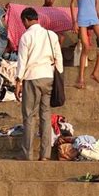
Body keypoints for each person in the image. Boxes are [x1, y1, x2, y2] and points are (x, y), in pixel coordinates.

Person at [15, 8, 63, 161]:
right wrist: (58, 78)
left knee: (29, 116)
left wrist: (18, 81)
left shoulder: (26, 37)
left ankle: (27, 154)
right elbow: (58, 58)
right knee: (45, 115)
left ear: (25, 20)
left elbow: (22, 62)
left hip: (32, 77)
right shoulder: (51, 35)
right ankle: (45, 155)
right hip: (48, 77)